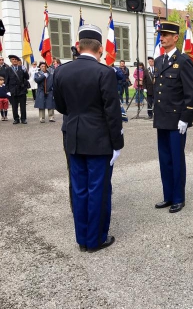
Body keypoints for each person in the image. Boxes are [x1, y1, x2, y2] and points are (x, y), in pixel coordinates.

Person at [53, 24, 124, 252]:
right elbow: (112, 113)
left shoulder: (61, 71)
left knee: (79, 189)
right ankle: (95, 240)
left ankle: (82, 239)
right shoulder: (105, 73)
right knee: (98, 190)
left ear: (78, 46)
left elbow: (61, 107)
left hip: (73, 136)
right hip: (99, 140)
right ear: (100, 49)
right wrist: (117, 144)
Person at [153, 21, 193, 213]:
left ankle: (179, 198)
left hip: (176, 120)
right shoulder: (159, 61)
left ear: (175, 38)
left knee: (176, 159)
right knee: (164, 159)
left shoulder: (183, 61)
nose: (162, 38)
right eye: (161, 34)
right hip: (162, 119)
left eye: (165, 35)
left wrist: (185, 118)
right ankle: (168, 196)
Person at [5, 54, 29, 124]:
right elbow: (7, 81)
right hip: (13, 90)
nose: (14, 61)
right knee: (14, 106)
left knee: (23, 106)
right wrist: (7, 91)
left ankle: (23, 118)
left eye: (16, 60)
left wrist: (25, 71)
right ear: (10, 61)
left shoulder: (21, 68)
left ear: (18, 61)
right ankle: (16, 118)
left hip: (21, 90)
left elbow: (27, 78)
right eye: (13, 59)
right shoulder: (8, 69)